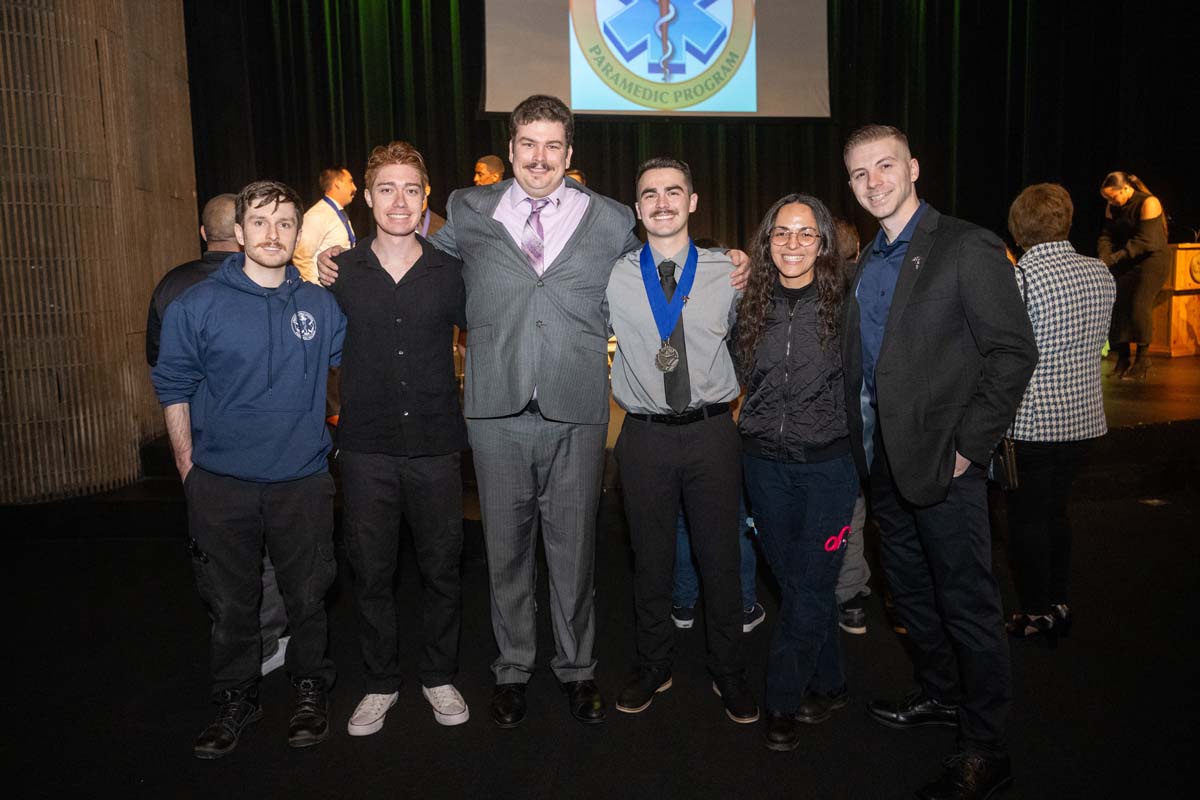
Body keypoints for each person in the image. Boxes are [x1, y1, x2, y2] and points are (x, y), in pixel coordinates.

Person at [319, 97, 748, 729]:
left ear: (569, 155)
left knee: (574, 551)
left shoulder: (607, 218)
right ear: (513, 149)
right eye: (527, 144)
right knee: (505, 552)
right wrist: (339, 261)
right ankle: (513, 668)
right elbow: (412, 259)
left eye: (553, 146)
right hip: (494, 410)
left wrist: (729, 261)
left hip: (577, 409)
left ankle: (577, 670)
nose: (540, 157)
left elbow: (661, 263)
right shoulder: (468, 209)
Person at [841, 124, 1036, 799]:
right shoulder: (865, 264)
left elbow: (1013, 352)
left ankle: (986, 745)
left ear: (914, 167)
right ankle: (939, 693)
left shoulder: (966, 245)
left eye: (885, 165)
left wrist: (967, 449)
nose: (873, 181)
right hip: (882, 468)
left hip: (944, 468)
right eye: (860, 173)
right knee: (913, 598)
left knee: (967, 605)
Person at [153, 180, 346, 758]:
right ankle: (235, 697)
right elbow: (173, 387)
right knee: (232, 603)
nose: (273, 234)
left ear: (297, 233)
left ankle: (310, 689)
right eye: (259, 223)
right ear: (237, 233)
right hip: (221, 484)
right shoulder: (198, 304)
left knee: (309, 597)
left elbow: (353, 370)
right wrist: (189, 471)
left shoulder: (318, 304)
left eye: (285, 223)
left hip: (302, 482)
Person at [326, 142, 470, 736]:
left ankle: (438, 675)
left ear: (427, 196)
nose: (400, 200)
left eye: (412, 188)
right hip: (365, 450)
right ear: (367, 197)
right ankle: (381, 682)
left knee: (442, 569)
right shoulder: (340, 273)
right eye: (387, 188)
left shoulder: (451, 271)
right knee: (372, 572)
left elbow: (493, 334)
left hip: (436, 446)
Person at [607, 157, 757, 724]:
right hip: (644, 436)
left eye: (674, 191)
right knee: (650, 561)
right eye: (650, 194)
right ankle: (653, 664)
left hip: (712, 433)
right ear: (638, 206)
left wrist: (746, 257)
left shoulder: (729, 270)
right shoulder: (614, 273)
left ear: (693, 201)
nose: (662, 202)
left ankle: (729, 669)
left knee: (719, 558)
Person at [734, 193, 860, 751]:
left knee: (811, 584)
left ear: (824, 242)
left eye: (806, 234)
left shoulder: (849, 302)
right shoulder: (748, 303)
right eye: (781, 233)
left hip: (830, 469)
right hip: (762, 465)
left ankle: (782, 699)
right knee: (797, 584)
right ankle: (831, 681)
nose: (792, 244)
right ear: (766, 242)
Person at [146, 193, 290, 678]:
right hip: (260, 452)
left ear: (205, 234)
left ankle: (241, 645)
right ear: (244, 232)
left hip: (202, 449)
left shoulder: (171, 285)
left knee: (218, 556)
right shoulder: (273, 286)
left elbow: (160, 370)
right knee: (266, 553)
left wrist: (183, 462)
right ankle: (265, 644)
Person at [1004, 183, 1114, 641]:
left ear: (1017, 228)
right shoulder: (1100, 273)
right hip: (1084, 419)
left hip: (1029, 424)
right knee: (1056, 512)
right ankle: (1058, 599)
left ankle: (1034, 611)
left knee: (1026, 519)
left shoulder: (1019, 280)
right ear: (1066, 220)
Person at [830, 216, 872, 635]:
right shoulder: (873, 286)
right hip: (863, 423)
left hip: (826, 423)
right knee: (853, 515)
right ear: (858, 250)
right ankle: (852, 597)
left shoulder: (813, 289)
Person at [1097, 171, 1169, 381]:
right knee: (1117, 305)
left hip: (1151, 261)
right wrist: (1104, 257)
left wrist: (1114, 258)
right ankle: (1123, 358)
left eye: (1113, 196)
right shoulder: (1112, 206)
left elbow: (1145, 241)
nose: (1111, 201)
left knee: (1138, 304)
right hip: (1126, 260)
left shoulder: (1149, 203)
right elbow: (1106, 235)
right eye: (1107, 198)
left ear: (1126, 189)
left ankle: (1143, 360)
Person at [293, 167, 358, 283]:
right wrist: (316, 292)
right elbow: (301, 257)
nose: (355, 188)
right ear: (337, 183)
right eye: (350, 181)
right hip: (324, 295)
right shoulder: (317, 215)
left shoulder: (338, 214)